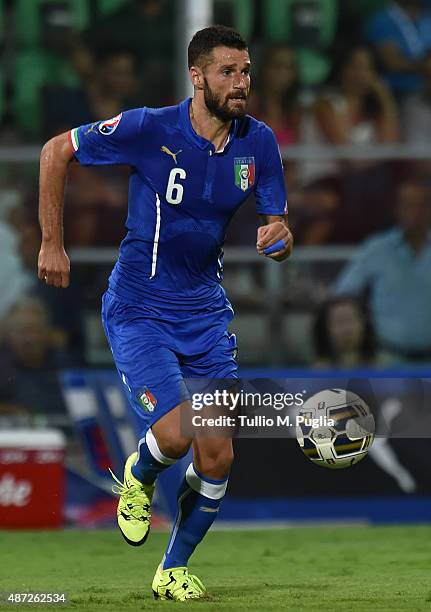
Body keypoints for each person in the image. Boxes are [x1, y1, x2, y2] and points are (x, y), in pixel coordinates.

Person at [37, 25, 293, 601]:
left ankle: (172, 568)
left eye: (246, 71)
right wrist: (52, 243)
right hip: (139, 309)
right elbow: (56, 151)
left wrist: (279, 235)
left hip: (205, 314)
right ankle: (140, 474)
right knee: (175, 439)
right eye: (228, 71)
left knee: (218, 452)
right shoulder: (150, 128)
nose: (241, 83)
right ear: (197, 76)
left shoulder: (260, 143)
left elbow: (276, 221)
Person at [334, 177, 431, 365]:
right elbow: (343, 293)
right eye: (408, 205)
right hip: (388, 359)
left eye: (423, 205)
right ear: (397, 209)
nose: (416, 212)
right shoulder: (376, 248)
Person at [365, 0, 431, 100]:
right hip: (399, 92)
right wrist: (425, 66)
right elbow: (393, 62)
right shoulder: (382, 20)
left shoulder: (425, 17)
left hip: (424, 90)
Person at [313, 296, 376, 368]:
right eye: (339, 321)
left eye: (351, 320)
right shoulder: (320, 370)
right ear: (325, 328)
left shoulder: (383, 365)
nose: (347, 329)